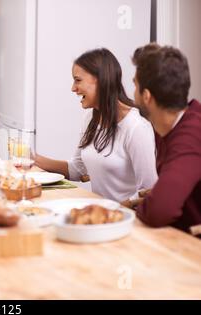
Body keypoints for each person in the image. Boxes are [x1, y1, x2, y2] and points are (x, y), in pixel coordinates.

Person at [34, 48, 158, 202]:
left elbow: (149, 190)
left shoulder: (136, 127)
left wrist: (116, 210)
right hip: (101, 214)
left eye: (78, 80)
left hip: (125, 219)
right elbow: (77, 169)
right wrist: (33, 158)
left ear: (100, 80)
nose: (73, 88)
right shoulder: (90, 117)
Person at [131, 43, 201, 233]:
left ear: (146, 96)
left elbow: (159, 211)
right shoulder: (167, 127)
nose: (132, 92)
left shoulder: (190, 135)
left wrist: (149, 203)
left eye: (134, 85)